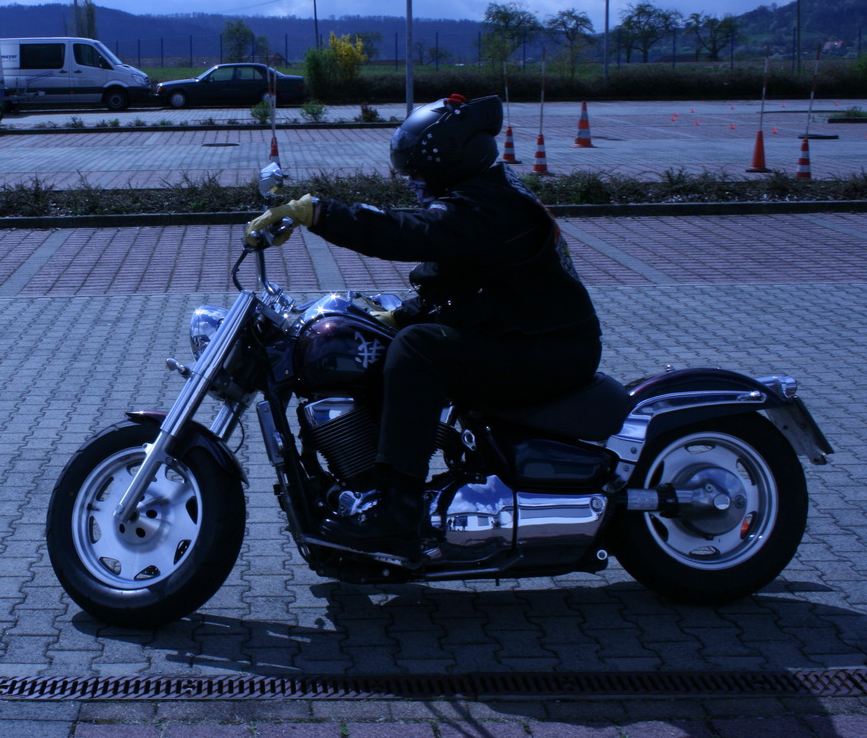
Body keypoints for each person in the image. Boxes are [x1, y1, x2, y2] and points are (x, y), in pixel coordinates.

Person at [245, 93, 602, 564]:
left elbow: (410, 232)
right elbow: (464, 280)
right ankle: (365, 483)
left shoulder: (490, 205)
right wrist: (400, 314)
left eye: (419, 172)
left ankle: (398, 511)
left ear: (449, 159)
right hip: (527, 335)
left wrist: (319, 212)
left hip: (550, 349)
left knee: (419, 349)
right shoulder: (483, 195)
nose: (414, 182)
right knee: (392, 337)